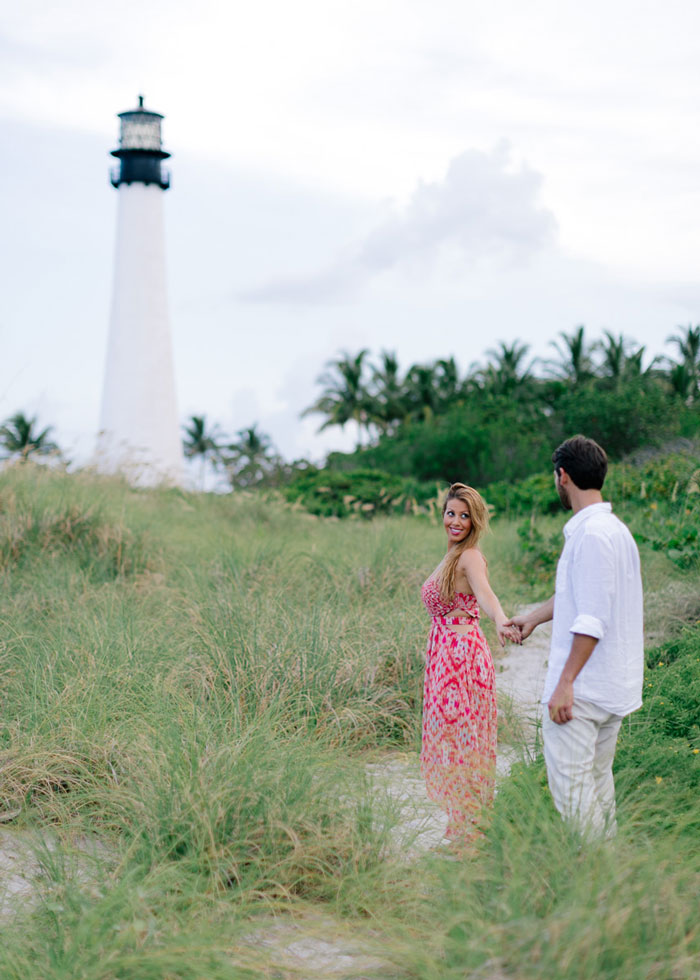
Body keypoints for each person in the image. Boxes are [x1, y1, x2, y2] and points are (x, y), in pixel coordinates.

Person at [506, 435, 644, 838]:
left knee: (573, 797)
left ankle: (595, 881)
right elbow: (578, 595)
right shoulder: (614, 530)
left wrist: (565, 683)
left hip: (582, 695)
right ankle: (611, 879)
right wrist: (533, 618)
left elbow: (593, 619)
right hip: (609, 689)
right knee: (598, 788)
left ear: (562, 476)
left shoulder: (592, 535)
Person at [420, 482, 520, 842]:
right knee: (454, 742)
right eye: (451, 513)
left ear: (474, 521)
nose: (456, 521)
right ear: (443, 515)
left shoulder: (470, 556)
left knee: (463, 744)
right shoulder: (451, 554)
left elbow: (486, 595)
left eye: (465, 516)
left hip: (462, 659)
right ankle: (463, 827)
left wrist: (502, 620)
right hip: (445, 657)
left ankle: (471, 834)